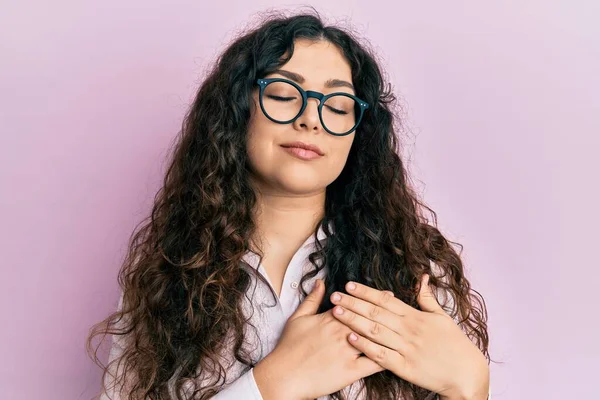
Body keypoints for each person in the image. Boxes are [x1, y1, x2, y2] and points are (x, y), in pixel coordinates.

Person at [87, 8, 491, 400]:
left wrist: (472, 389)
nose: (311, 119)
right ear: (238, 110)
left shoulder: (416, 269)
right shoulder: (170, 268)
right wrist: (270, 387)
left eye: (337, 106)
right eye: (283, 93)